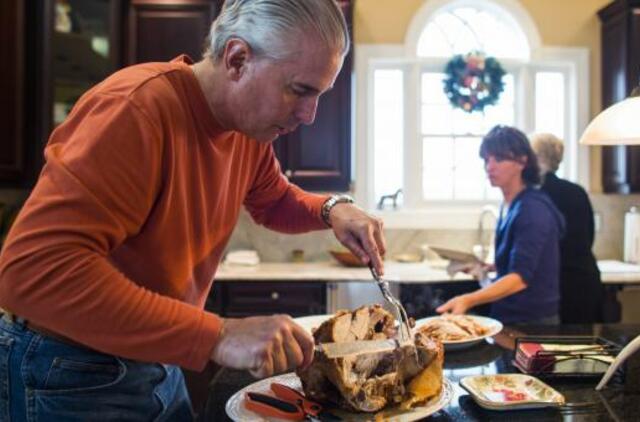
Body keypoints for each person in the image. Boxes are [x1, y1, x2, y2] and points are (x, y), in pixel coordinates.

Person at [0, 1, 386, 420]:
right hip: (70, 370)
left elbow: (273, 200)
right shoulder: (136, 110)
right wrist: (219, 334)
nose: (309, 116)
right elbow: (32, 271)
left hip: (157, 354)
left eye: (319, 95)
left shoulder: (245, 130)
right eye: (299, 90)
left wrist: (333, 209)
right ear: (237, 59)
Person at [436, 125, 565, 324]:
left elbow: (519, 278)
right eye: (487, 160)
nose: (490, 166)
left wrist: (467, 299)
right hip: (511, 315)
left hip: (532, 323)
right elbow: (525, 260)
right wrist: (490, 267)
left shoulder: (532, 209)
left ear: (522, 161)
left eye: (499, 159)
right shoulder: (510, 204)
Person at [531, 133, 603, 323]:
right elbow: (589, 235)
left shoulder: (535, 195)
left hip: (558, 283)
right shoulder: (576, 191)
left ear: (535, 157)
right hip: (586, 278)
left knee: (555, 347)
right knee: (580, 347)